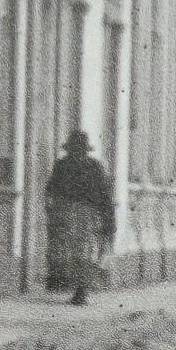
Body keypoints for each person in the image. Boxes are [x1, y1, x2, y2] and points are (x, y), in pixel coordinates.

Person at [44, 131, 114, 306]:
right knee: (84, 252)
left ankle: (76, 289)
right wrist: (108, 221)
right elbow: (105, 196)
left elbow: (50, 191)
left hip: (67, 213)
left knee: (71, 251)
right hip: (86, 214)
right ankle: (80, 290)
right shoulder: (94, 166)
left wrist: (51, 212)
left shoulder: (62, 165)